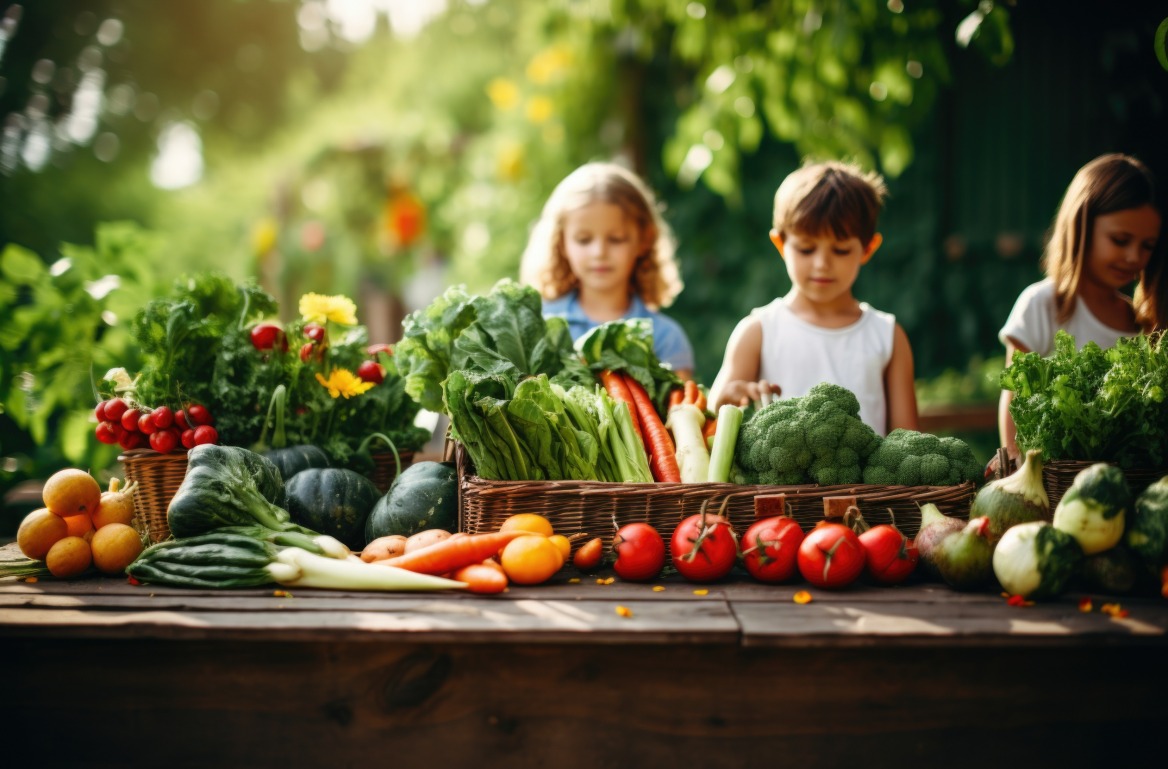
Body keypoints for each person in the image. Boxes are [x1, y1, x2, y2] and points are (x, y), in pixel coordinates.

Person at [708, 159, 918, 436]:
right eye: (806, 249)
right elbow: (713, 412)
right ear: (780, 244)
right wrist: (730, 397)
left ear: (868, 249)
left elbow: (907, 440)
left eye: (840, 250)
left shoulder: (888, 336)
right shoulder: (758, 331)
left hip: (871, 482)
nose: (822, 264)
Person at [998, 153, 1165, 461]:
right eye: (1120, 239)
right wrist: (1016, 465)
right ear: (1081, 226)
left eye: (1146, 246)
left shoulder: (1141, 323)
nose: (1133, 257)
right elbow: (1014, 404)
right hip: (1049, 487)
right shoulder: (1041, 306)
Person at [520, 161, 694, 380]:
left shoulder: (665, 337)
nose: (599, 252)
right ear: (562, 243)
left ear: (644, 239)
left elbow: (683, 409)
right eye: (584, 240)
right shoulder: (539, 326)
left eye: (616, 239)